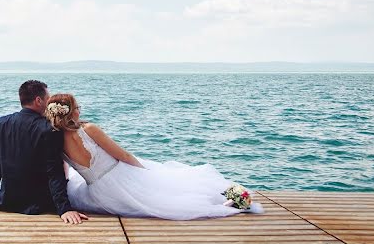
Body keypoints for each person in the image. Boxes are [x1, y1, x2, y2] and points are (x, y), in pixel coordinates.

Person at [45, 92, 264, 220]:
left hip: (98, 191)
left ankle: (225, 202)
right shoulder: (89, 129)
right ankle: (228, 201)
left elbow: (64, 170)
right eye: (78, 107)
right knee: (172, 187)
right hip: (119, 176)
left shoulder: (54, 139)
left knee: (162, 201)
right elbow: (122, 155)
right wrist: (144, 171)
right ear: (73, 111)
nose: (80, 110)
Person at [0, 80, 89, 225]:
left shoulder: (3, 122)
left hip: (8, 201)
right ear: (38, 100)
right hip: (39, 204)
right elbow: (54, 171)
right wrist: (64, 209)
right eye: (47, 99)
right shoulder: (49, 128)